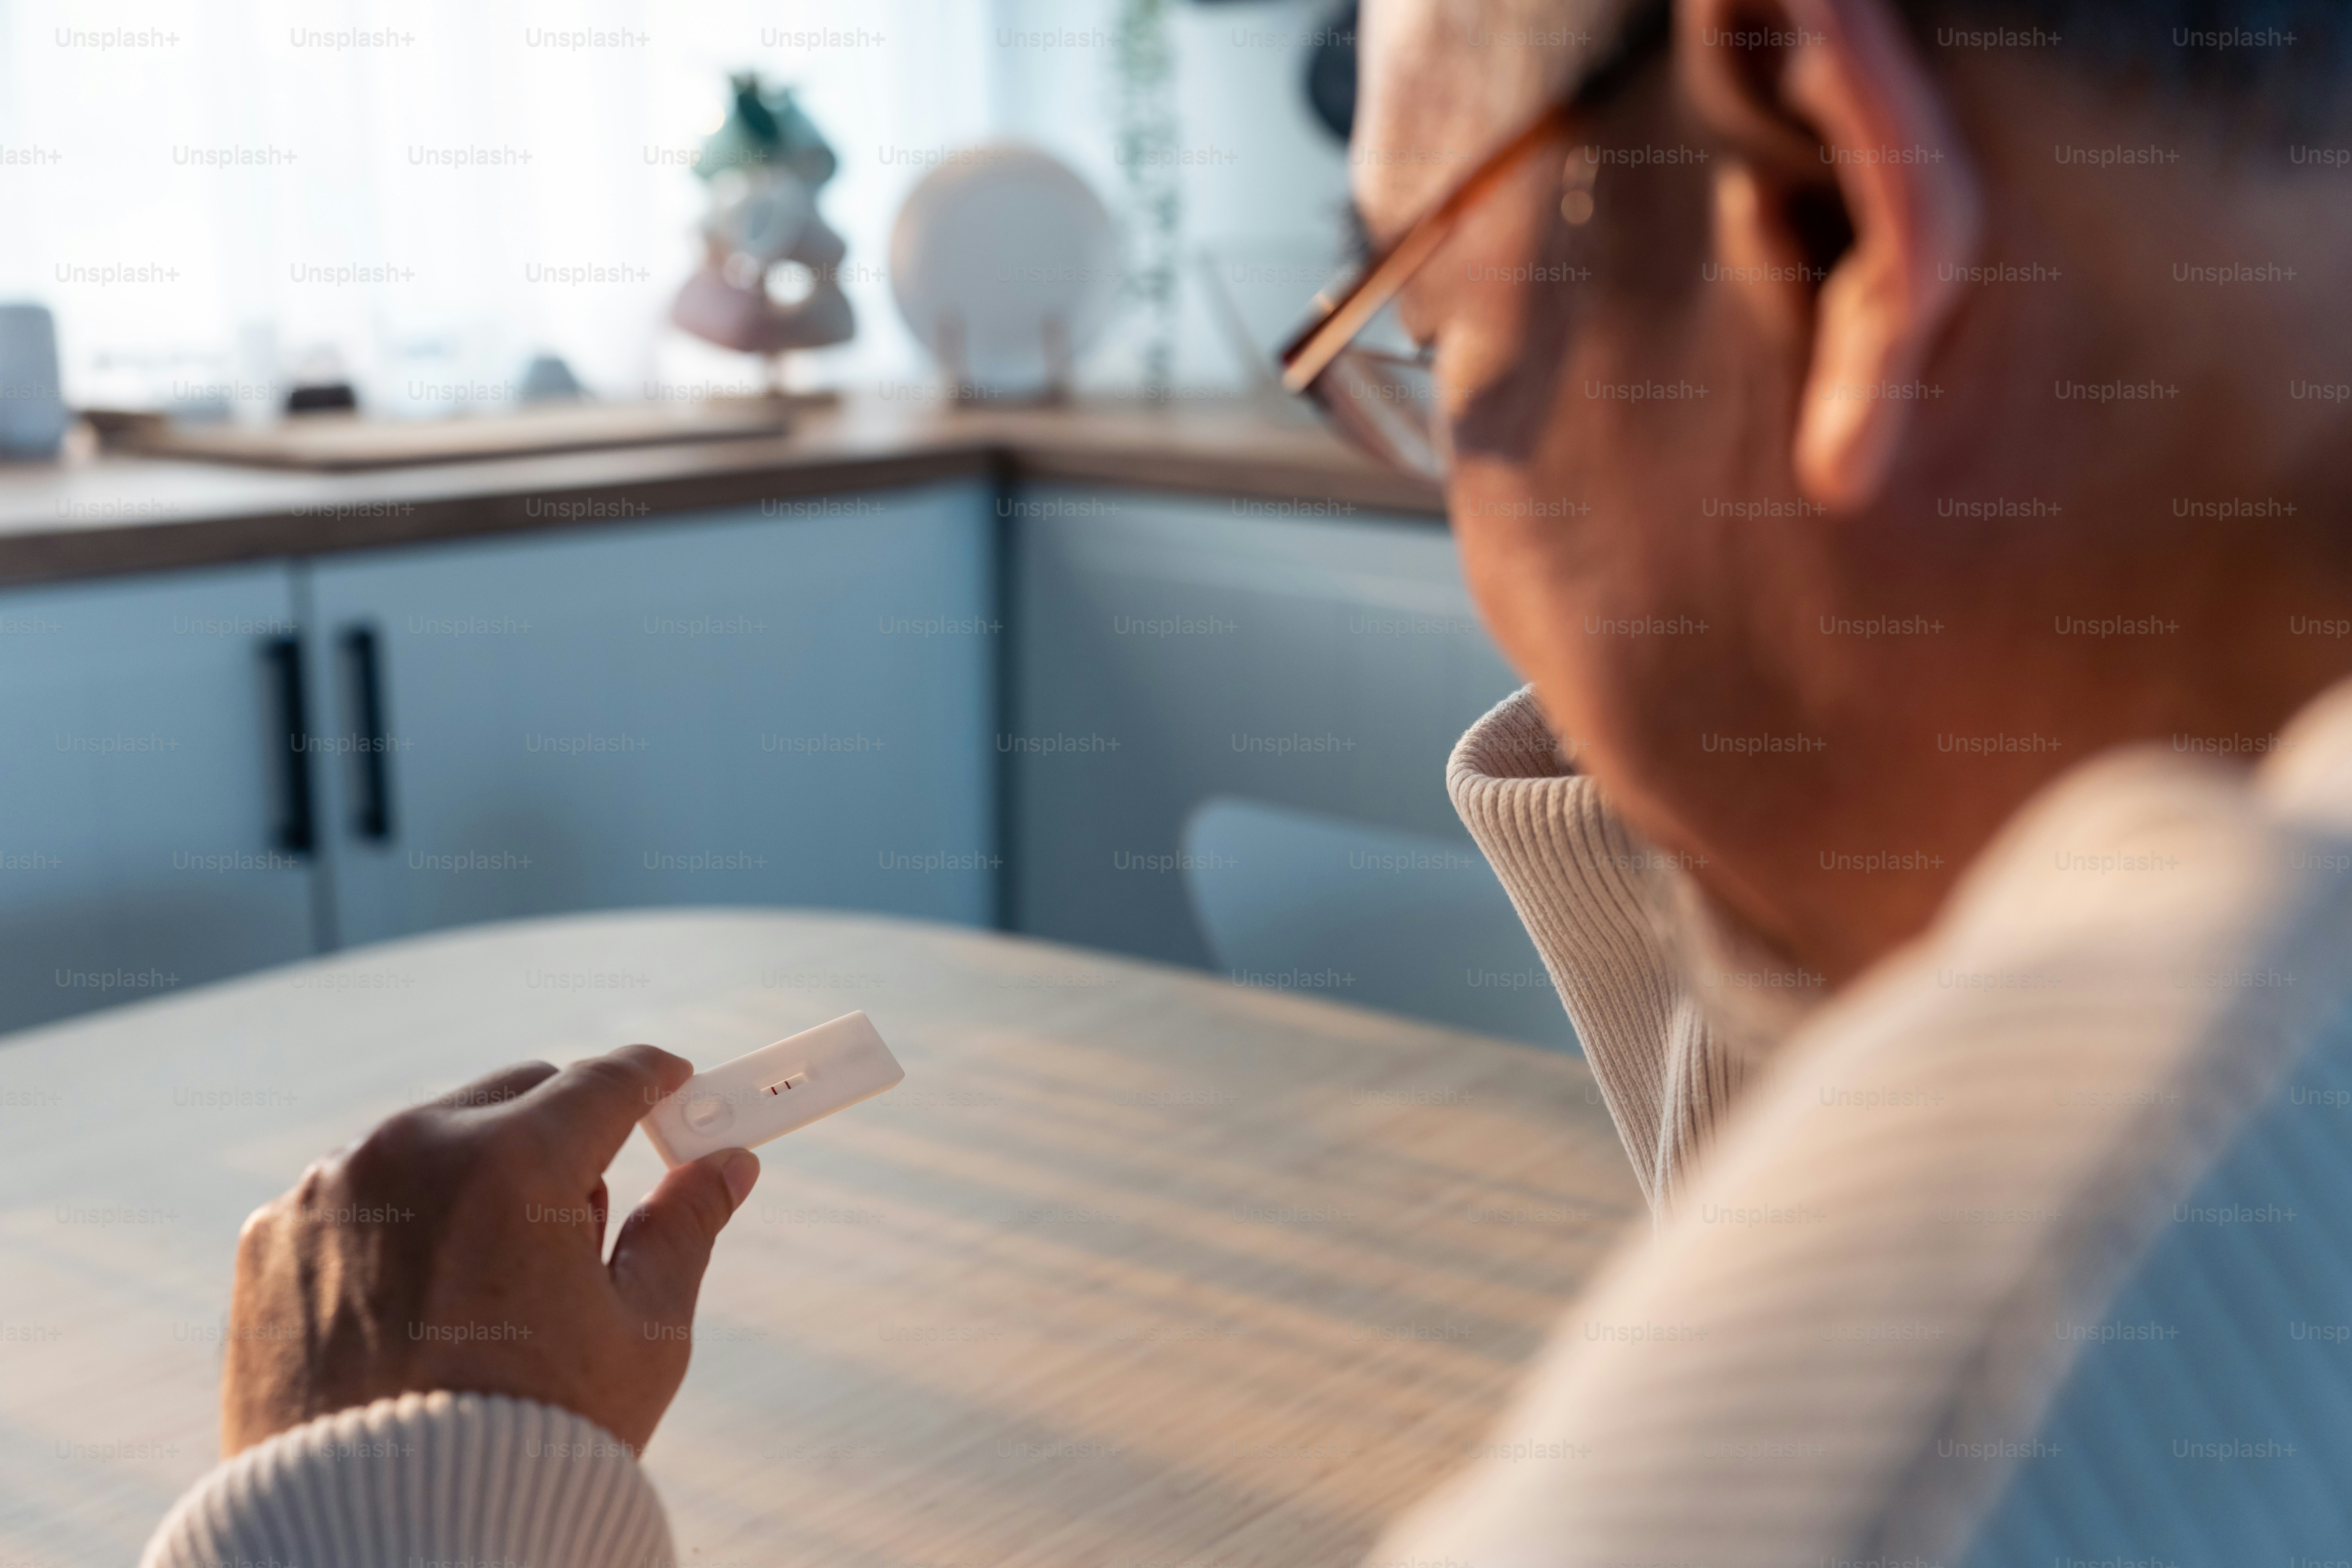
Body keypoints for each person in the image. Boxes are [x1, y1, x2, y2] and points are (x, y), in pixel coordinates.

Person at [146, 0, 2352, 1562]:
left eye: (1436, 329)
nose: (1459, 504)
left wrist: (395, 1491)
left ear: (1830, 205)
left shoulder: (2009, 1318)